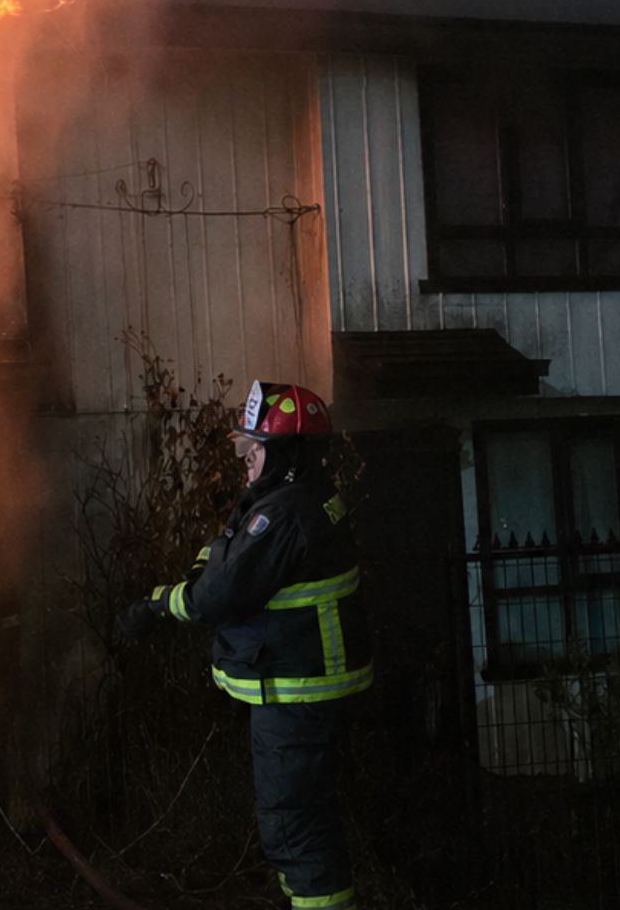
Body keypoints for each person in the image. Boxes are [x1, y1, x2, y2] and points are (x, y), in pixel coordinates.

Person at [117, 380, 373, 910]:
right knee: (302, 823)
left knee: (293, 829)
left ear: (286, 454)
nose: (246, 461)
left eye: (255, 450)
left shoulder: (280, 516)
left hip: (294, 693)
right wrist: (209, 569)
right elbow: (229, 557)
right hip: (303, 687)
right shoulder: (304, 500)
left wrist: (157, 606)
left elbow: (219, 594)